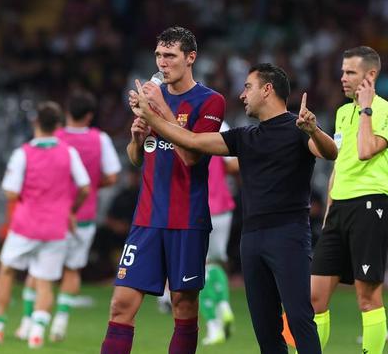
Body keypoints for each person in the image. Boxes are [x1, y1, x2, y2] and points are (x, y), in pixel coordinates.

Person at [131, 62, 338, 354]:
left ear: (267, 90)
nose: (242, 95)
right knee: (266, 329)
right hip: (251, 239)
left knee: (299, 318)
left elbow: (330, 152)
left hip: (288, 235)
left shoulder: (298, 129)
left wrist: (314, 130)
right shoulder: (244, 136)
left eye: (248, 87)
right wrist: (151, 114)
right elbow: (191, 141)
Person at [100, 26, 225, 354]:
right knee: (120, 305)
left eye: (170, 56)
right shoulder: (152, 98)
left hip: (187, 220)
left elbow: (192, 155)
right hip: (146, 220)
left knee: (184, 308)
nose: (162, 62)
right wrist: (137, 138)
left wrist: (160, 115)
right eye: (158, 55)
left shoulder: (210, 101)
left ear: (190, 58)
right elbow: (136, 159)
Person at [308, 46, 388, 354]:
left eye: (350, 72)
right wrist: (329, 207)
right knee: (315, 298)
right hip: (339, 209)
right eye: (343, 72)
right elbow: (340, 162)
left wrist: (366, 108)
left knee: (367, 298)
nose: (343, 78)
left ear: (370, 75)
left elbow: (365, 150)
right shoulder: (341, 112)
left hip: (370, 207)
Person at [0, 102, 91, 348]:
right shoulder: (68, 152)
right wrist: (70, 209)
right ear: (58, 125)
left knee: (6, 272)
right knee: (45, 281)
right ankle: (37, 331)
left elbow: (10, 192)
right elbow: (84, 187)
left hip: (25, 225)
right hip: (56, 227)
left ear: (35, 123)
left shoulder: (23, 153)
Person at [16, 91, 122, 342]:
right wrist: (93, 185)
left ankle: (27, 321)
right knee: (73, 269)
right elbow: (112, 176)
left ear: (66, 113)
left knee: (38, 270)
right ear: (89, 115)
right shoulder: (101, 139)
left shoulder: (53, 137)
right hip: (83, 216)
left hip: (51, 215)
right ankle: (60, 322)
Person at [157, 121, 239, 346]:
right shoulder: (219, 123)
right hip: (222, 206)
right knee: (216, 261)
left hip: (195, 207)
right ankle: (223, 304)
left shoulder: (177, 123)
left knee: (196, 269)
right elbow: (234, 164)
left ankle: (213, 326)